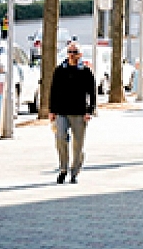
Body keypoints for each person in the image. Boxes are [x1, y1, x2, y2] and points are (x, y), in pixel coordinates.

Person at [49, 41, 96, 184]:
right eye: (69, 52)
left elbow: (92, 93)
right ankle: (63, 168)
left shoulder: (86, 71)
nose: (72, 55)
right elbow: (53, 91)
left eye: (75, 52)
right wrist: (51, 110)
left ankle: (75, 171)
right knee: (60, 138)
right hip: (61, 112)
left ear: (80, 55)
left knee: (78, 144)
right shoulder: (59, 70)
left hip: (79, 112)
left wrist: (90, 111)